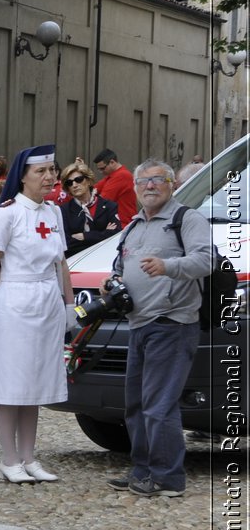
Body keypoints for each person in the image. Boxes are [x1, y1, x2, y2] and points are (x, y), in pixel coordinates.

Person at [106, 161, 215, 497]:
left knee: (159, 405)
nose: (150, 186)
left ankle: (168, 478)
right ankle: (143, 471)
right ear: (135, 187)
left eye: (158, 180)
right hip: (139, 323)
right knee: (136, 404)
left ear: (171, 185)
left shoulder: (186, 219)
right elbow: (120, 266)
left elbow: (206, 260)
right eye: (143, 181)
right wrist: (112, 283)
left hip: (172, 324)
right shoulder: (134, 225)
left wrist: (168, 266)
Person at [0, 144, 76, 484]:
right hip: (16, 299)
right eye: (41, 171)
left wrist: (68, 303)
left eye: (52, 170)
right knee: (12, 380)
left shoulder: (54, 212)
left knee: (35, 380)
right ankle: (9, 458)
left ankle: (29, 456)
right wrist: (12, 290)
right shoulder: (6, 213)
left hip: (48, 298)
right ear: (23, 176)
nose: (50, 177)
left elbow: (60, 261)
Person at [60, 158, 120, 254]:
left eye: (78, 180)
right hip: (76, 263)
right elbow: (67, 244)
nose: (74, 185)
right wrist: (103, 234)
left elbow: (115, 236)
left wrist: (85, 236)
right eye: (69, 183)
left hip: (104, 260)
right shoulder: (63, 210)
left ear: (88, 181)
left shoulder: (109, 206)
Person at [93, 148, 138, 225]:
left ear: (112, 162)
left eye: (102, 168)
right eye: (99, 169)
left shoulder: (122, 175)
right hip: (119, 224)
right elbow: (92, 190)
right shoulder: (113, 175)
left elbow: (101, 201)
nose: (101, 172)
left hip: (123, 224)